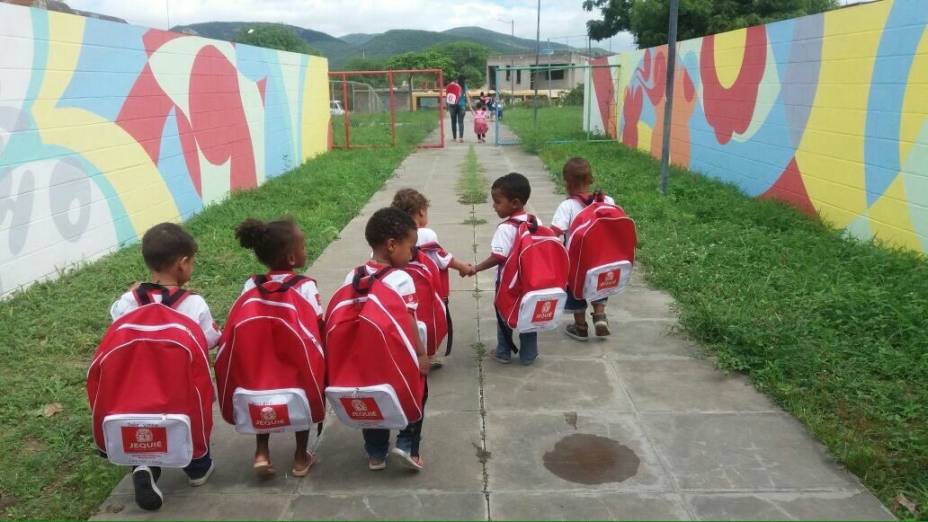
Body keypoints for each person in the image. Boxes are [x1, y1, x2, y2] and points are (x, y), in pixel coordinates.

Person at [107, 222, 220, 510]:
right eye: (191, 262)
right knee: (191, 420)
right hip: (179, 388)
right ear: (182, 264)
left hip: (135, 387)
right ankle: (197, 469)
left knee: (143, 425)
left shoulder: (127, 301)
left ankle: (143, 466)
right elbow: (208, 340)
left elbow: (117, 328)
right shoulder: (193, 303)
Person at [234, 217, 323, 478]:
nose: (306, 250)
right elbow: (317, 323)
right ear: (292, 258)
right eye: (303, 246)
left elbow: (241, 316)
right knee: (303, 400)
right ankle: (299, 456)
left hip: (260, 359)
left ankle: (262, 452)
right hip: (295, 360)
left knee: (263, 399)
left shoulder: (252, 284)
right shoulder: (305, 286)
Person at [345, 207, 430, 471]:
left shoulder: (354, 275)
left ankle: (376, 453)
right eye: (410, 247)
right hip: (396, 356)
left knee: (372, 399)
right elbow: (410, 321)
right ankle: (407, 445)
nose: (412, 253)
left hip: (364, 357)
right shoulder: (401, 278)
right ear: (392, 245)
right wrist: (421, 354)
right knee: (415, 392)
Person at [392, 188, 475, 367]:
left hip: (401, 292)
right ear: (421, 211)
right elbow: (442, 259)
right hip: (429, 292)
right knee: (431, 323)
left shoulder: (392, 237)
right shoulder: (426, 234)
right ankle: (429, 356)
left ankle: (408, 356)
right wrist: (463, 267)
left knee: (407, 322)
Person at [470, 173, 540, 365]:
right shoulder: (535, 221)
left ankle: (503, 352)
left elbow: (498, 257)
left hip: (509, 285)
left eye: (498, 202)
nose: (494, 206)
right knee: (528, 316)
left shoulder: (506, 228)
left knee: (504, 315)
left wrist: (476, 268)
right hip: (532, 281)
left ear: (515, 203)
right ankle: (529, 354)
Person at [550, 158, 617, 340]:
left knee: (575, 290)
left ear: (567, 182)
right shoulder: (607, 200)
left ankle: (580, 327)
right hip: (601, 257)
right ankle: (600, 317)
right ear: (590, 179)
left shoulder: (568, 206)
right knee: (598, 285)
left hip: (576, 260)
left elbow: (555, 232)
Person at [445, 75, 467, 143]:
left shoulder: (451, 85)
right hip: (462, 106)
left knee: (453, 122)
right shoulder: (464, 86)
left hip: (452, 105)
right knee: (461, 122)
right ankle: (461, 138)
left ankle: (454, 138)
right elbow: (467, 97)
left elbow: (447, 95)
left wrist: (447, 105)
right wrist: (471, 108)